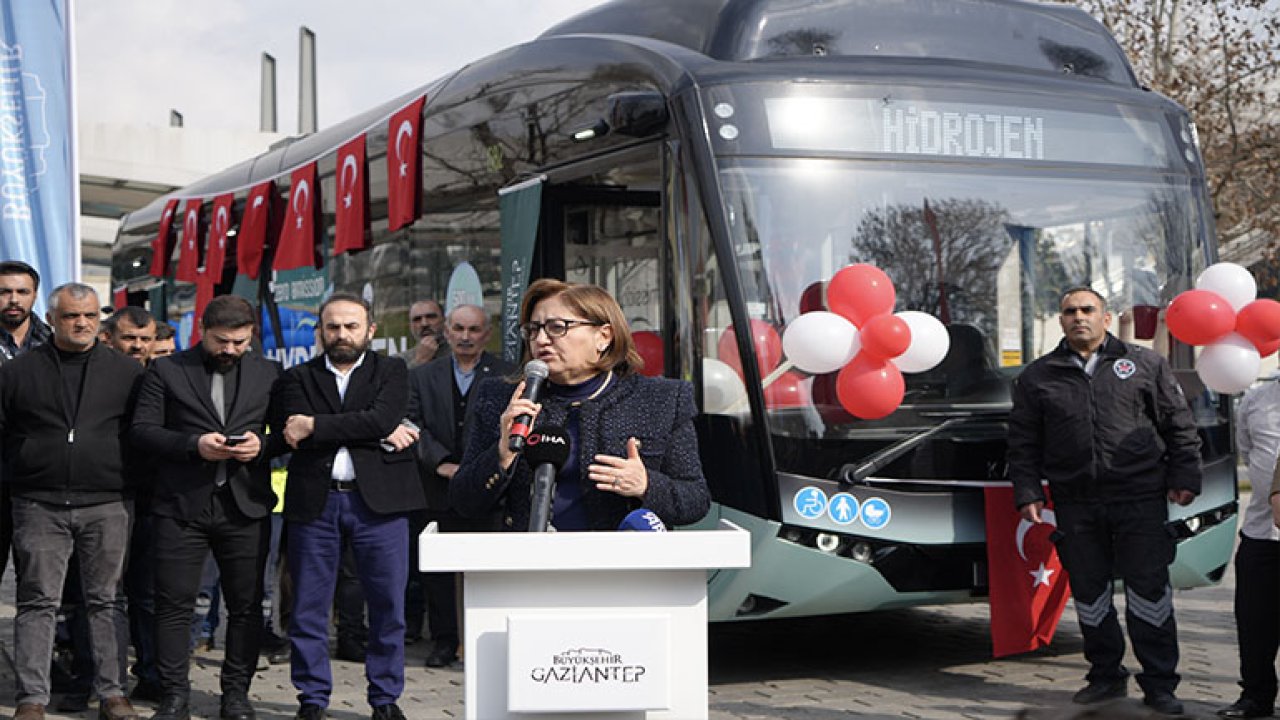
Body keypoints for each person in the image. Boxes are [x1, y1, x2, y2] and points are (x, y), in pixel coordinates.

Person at [1007, 287, 1201, 716]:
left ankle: (1160, 684)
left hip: (1140, 498)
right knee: (1090, 594)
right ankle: (1105, 676)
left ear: (1106, 318)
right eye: (1070, 311)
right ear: (1060, 321)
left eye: (1087, 310)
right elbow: (1022, 444)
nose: (1079, 317)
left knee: (1149, 593)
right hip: (1076, 503)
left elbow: (1179, 425)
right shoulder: (1038, 376)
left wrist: (1185, 475)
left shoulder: (1146, 364)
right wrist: (1027, 492)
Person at [451, 279, 711, 533]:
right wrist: (501, 454)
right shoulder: (502, 398)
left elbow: (696, 499)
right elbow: (463, 502)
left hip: (624, 567)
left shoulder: (661, 400)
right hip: (529, 567)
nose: (540, 340)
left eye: (557, 327)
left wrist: (646, 485)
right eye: (533, 329)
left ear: (604, 336)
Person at [272, 292, 425, 720]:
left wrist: (318, 425)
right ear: (320, 330)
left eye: (351, 326)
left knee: (388, 605)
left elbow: (379, 418)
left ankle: (385, 699)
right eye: (333, 326)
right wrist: (371, 428)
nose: (342, 334)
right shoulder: (296, 377)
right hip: (315, 506)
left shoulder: (391, 370)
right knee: (308, 607)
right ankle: (312, 699)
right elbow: (293, 430)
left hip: (379, 505)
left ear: (370, 330)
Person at [130, 295, 283, 720]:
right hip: (181, 506)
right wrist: (192, 446)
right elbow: (142, 431)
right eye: (222, 341)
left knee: (246, 606)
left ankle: (236, 695)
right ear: (202, 330)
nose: (231, 350)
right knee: (174, 604)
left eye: (240, 341)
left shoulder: (268, 371)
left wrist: (263, 445)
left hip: (246, 506)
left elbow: (288, 431)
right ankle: (174, 694)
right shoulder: (167, 370)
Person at [0, 282, 145, 720]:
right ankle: (32, 699)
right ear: (51, 319)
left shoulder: (127, 372)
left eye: (89, 315)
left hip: (107, 502)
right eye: (70, 316)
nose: (81, 323)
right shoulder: (18, 372)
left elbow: (141, 433)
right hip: (38, 502)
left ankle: (113, 694)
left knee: (106, 600)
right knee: (37, 601)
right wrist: (25, 467)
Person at [406, 304, 513, 667]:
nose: (466, 336)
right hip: (436, 486)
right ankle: (443, 641)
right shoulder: (423, 375)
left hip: (488, 486)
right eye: (458, 328)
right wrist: (440, 463)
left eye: (474, 329)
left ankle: (489, 642)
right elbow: (413, 424)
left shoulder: (505, 375)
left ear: (487, 333)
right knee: (437, 573)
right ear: (447, 332)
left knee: (488, 567)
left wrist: (476, 467)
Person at [1218, 378, 1280, 718]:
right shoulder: (1257, 398)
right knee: (1254, 623)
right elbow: (1247, 449)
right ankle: (1256, 696)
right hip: (1261, 532)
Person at [0, 260, 52, 585]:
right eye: (5, 292)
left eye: (22, 291)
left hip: (38, 474)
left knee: (35, 571)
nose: (14, 299)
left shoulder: (54, 344)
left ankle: (35, 637)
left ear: (35, 295)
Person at [397, 299, 446, 369]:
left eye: (431, 317)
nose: (424, 324)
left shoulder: (459, 354)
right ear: (410, 326)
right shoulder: (399, 361)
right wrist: (419, 361)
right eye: (417, 319)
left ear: (444, 320)